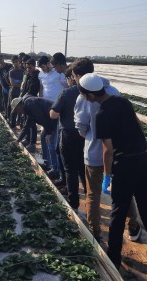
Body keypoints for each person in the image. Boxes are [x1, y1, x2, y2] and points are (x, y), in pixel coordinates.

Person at [79, 73, 147, 270]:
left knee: (119, 210)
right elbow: (137, 125)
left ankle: (114, 257)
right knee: (145, 206)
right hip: (142, 159)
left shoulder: (101, 115)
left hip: (124, 165)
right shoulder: (123, 102)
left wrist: (107, 175)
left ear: (89, 95)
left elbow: (108, 149)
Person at [72, 58, 141, 242]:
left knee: (93, 193)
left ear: (80, 77)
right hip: (117, 153)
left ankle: (95, 232)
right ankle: (133, 226)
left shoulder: (82, 97)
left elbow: (81, 128)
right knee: (123, 192)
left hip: (94, 153)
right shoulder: (114, 92)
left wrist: (90, 134)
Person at [50, 65, 86, 211]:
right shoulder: (92, 92)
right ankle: (90, 195)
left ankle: (74, 201)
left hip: (69, 134)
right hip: (85, 135)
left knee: (70, 169)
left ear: (73, 77)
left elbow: (54, 114)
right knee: (83, 166)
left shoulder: (67, 93)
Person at [12, 96, 57, 172]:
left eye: (17, 110)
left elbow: (42, 118)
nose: (18, 112)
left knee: (50, 143)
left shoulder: (29, 104)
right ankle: (47, 162)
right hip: (49, 121)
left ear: (19, 105)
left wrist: (49, 132)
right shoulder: (27, 108)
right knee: (43, 138)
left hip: (54, 119)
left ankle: (55, 169)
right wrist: (18, 140)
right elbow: (27, 126)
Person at [8, 55, 24, 127]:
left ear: (19, 61)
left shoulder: (22, 71)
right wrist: (19, 83)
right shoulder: (11, 72)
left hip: (21, 93)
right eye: (14, 62)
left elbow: (21, 83)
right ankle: (13, 123)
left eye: (16, 62)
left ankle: (19, 122)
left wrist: (19, 83)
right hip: (14, 92)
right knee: (14, 108)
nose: (15, 63)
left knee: (21, 108)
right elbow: (13, 84)